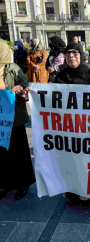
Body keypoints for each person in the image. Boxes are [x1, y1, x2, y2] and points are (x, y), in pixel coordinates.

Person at [54, 42, 90, 205]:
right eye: (68, 53)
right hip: (69, 128)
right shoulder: (61, 77)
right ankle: (75, 193)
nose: (71, 56)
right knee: (72, 162)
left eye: (75, 53)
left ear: (81, 54)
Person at [0, 39, 35, 201]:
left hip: (15, 118)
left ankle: (22, 185)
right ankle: (5, 184)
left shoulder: (12, 69)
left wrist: (20, 90)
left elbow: (25, 86)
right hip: (0, 120)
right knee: (2, 154)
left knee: (18, 152)